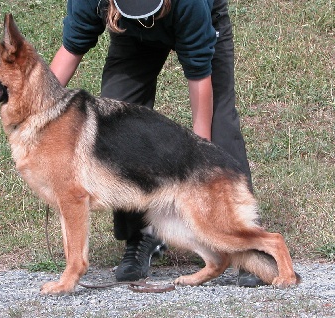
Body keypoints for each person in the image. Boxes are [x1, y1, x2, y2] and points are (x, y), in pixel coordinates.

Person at [50, 0, 262, 287]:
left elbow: (200, 77)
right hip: (129, 37)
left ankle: (246, 243)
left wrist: (202, 155)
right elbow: (70, 51)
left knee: (219, 123)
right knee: (116, 128)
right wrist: (38, 112)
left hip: (197, 17)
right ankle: (143, 236)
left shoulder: (190, 5)